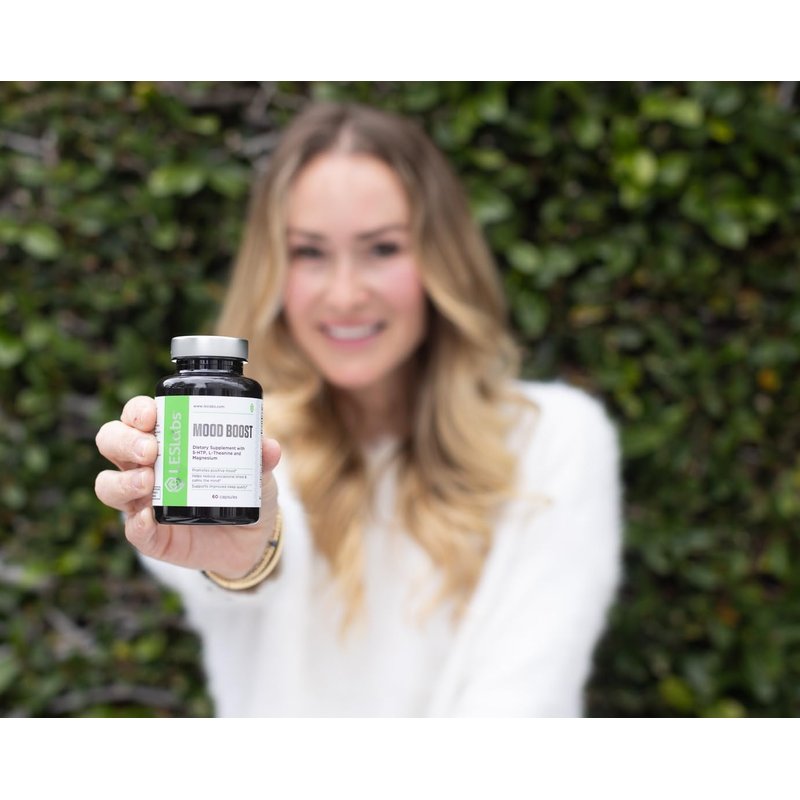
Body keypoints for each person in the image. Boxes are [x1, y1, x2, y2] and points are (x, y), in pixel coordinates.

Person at [94, 101, 622, 717]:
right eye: (310, 253)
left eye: (382, 249)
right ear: (274, 269)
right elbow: (227, 562)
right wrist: (243, 558)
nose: (345, 295)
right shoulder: (235, 440)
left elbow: (523, 701)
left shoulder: (553, 439)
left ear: (440, 259)